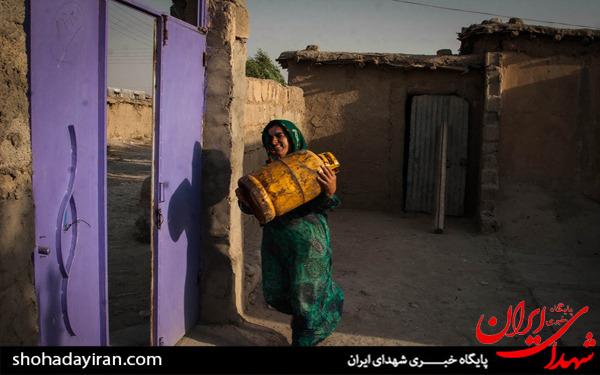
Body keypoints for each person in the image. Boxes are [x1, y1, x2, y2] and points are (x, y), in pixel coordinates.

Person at [236, 119, 344, 346]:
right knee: (278, 292)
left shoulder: (311, 166)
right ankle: (302, 320)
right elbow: (255, 210)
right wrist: (246, 201)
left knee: (307, 301)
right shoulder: (265, 172)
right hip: (276, 244)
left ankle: (304, 340)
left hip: (307, 246)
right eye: (269, 138)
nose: (273, 142)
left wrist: (330, 191)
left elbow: (324, 205)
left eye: (279, 136)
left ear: (292, 138)